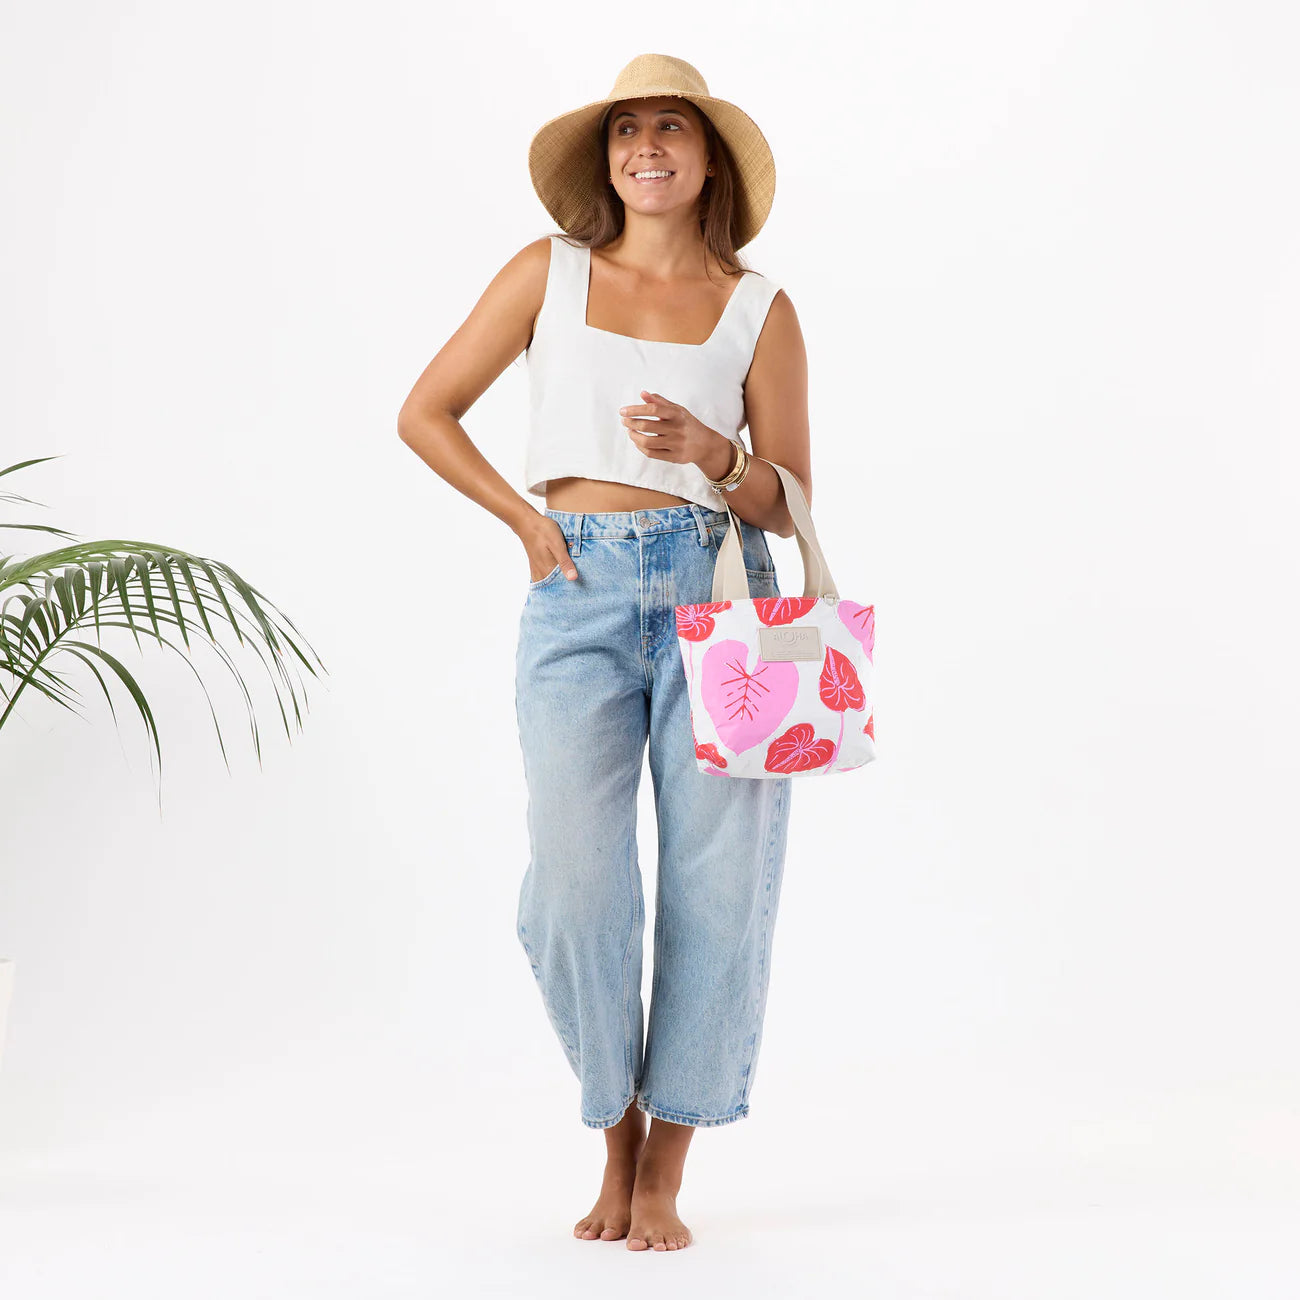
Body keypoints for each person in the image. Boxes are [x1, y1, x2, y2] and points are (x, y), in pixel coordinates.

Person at [397, 53, 812, 1252]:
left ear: (707, 158)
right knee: (576, 888)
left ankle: (667, 1161)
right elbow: (426, 409)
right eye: (626, 127)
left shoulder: (759, 306)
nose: (646, 146)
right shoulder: (549, 272)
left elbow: (788, 501)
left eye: (671, 127)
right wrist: (529, 521)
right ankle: (613, 1125)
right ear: (605, 156)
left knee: (718, 892)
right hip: (572, 592)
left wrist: (712, 453)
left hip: (721, 591)